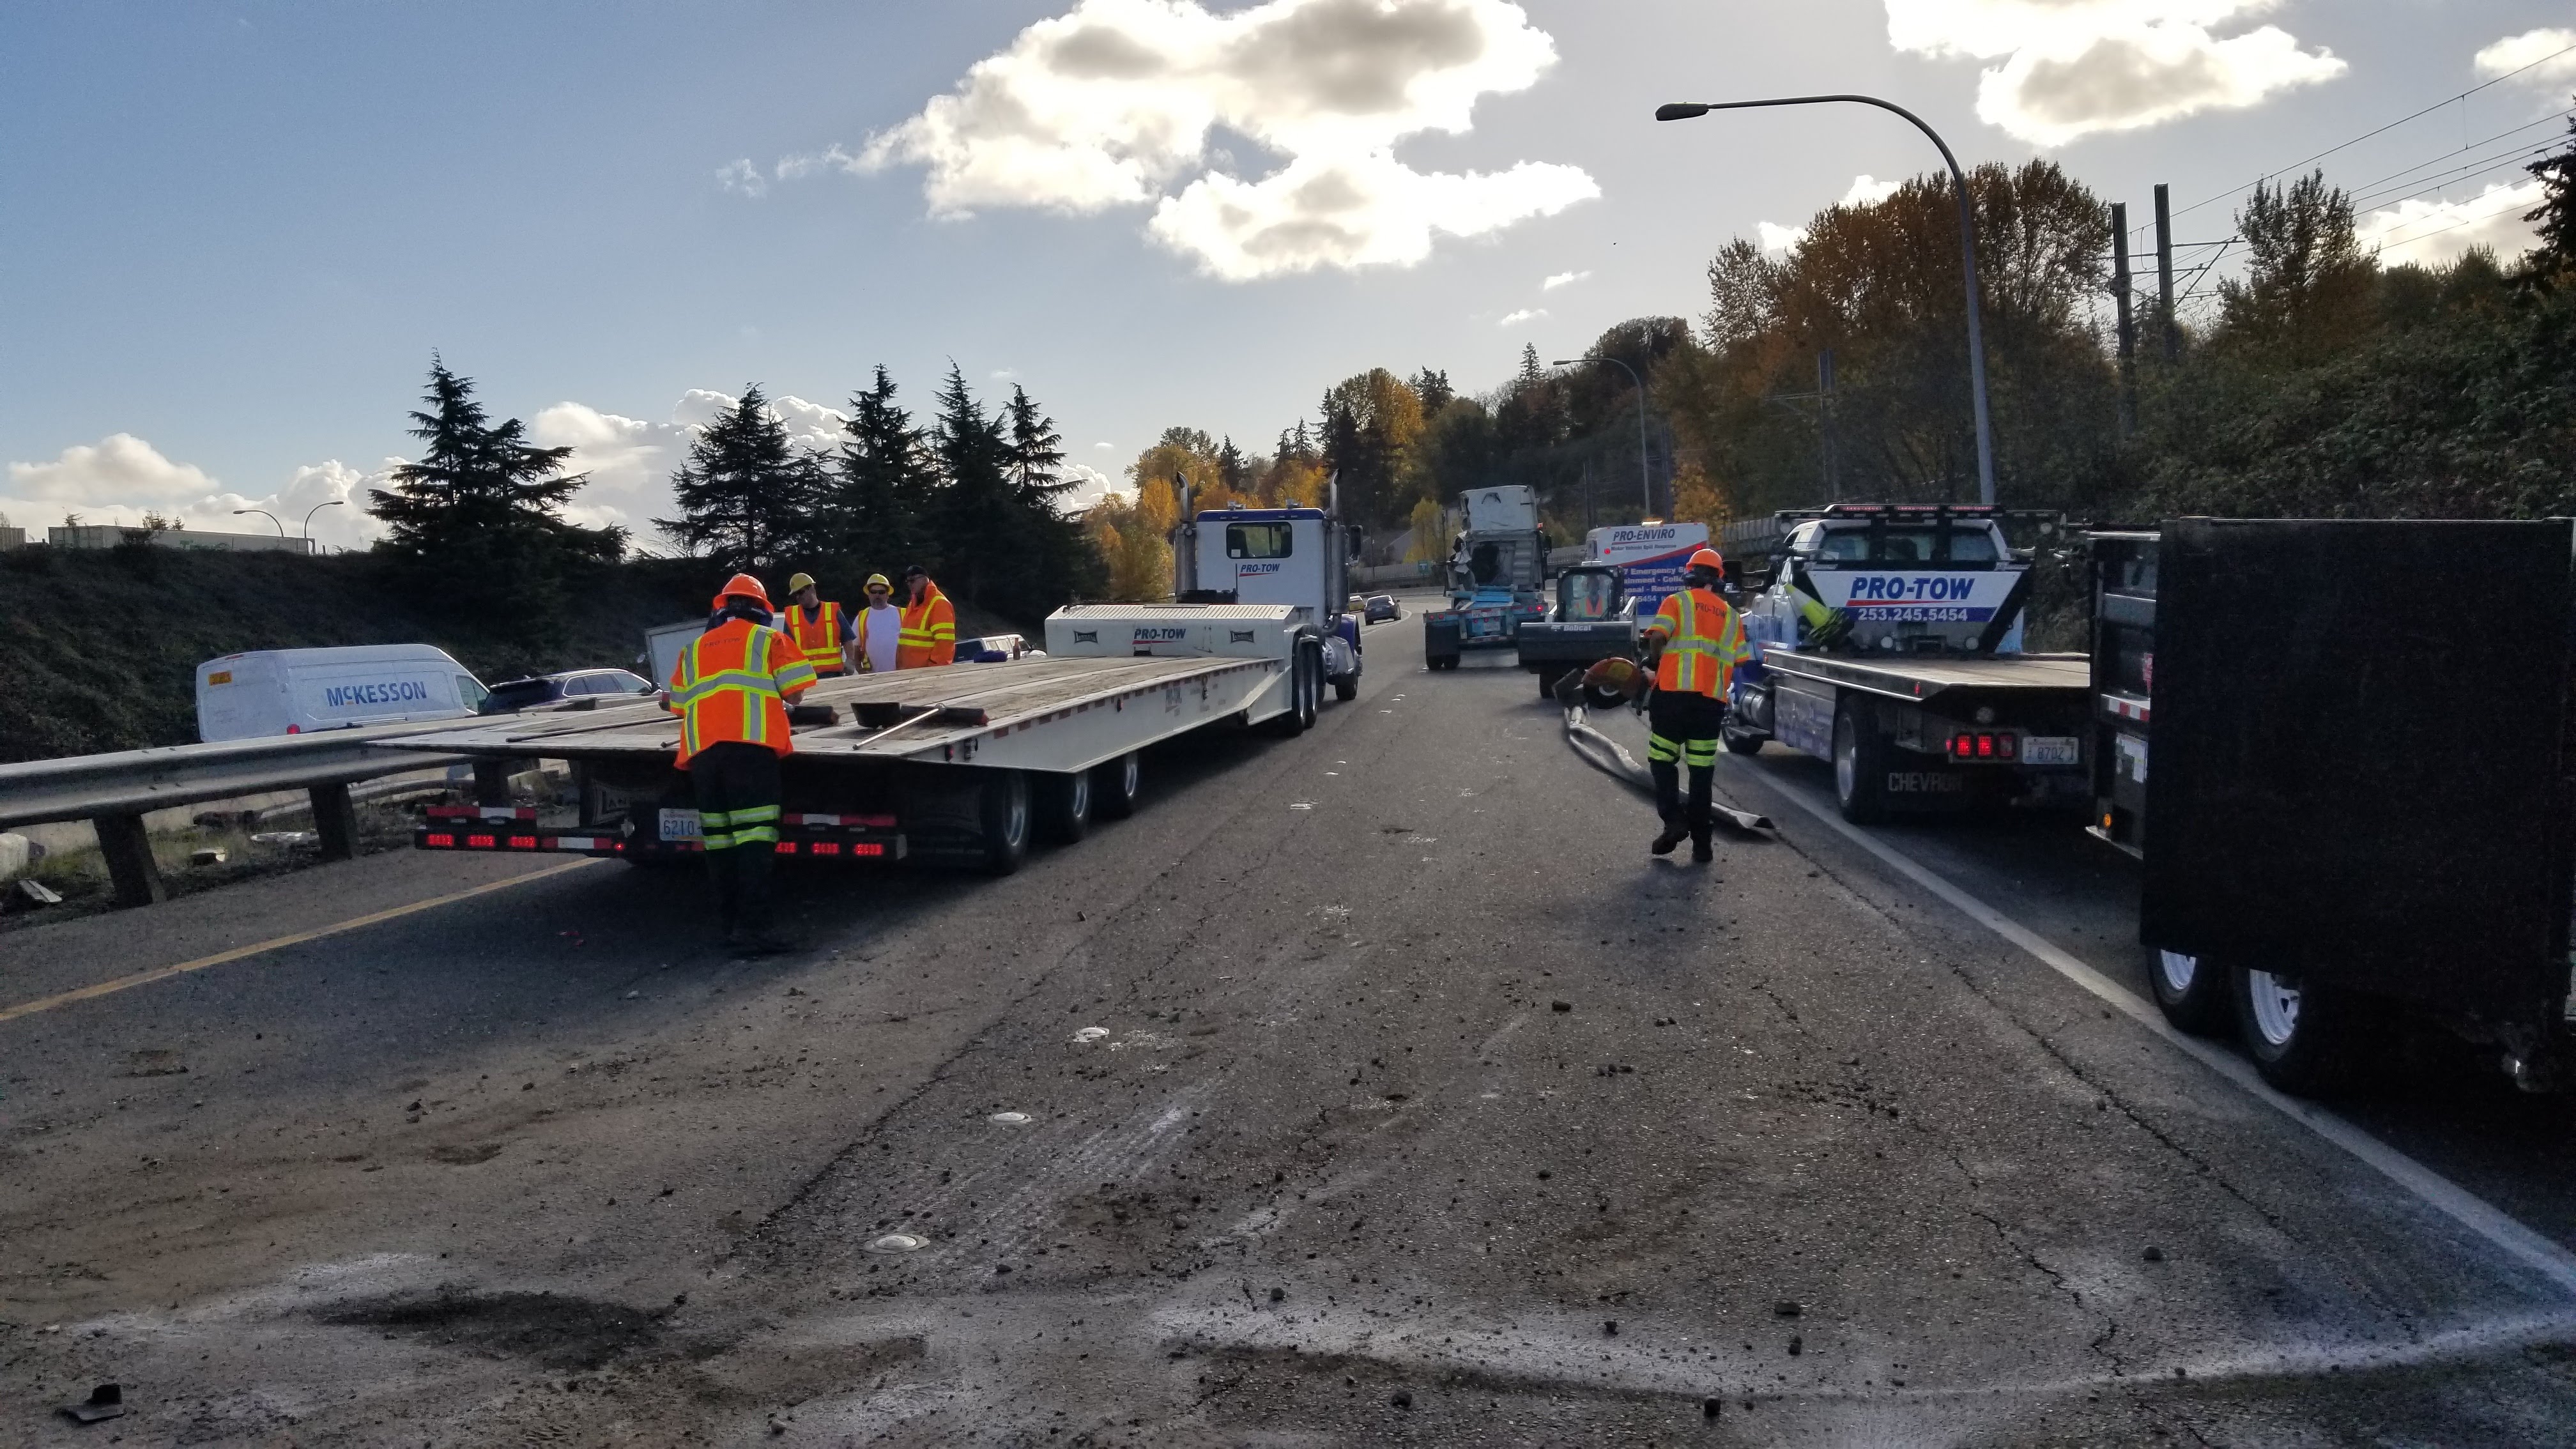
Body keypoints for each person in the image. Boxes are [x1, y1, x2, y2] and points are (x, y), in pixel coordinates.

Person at [664, 572, 817, 953]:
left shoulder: (693, 649)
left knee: (720, 844)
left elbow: (678, 705)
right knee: (755, 840)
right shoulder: (769, 639)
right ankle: (754, 931)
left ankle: (730, 926)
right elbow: (795, 694)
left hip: (704, 759)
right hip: (750, 754)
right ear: (761, 610)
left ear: (723, 609)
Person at [1636, 549, 1752, 863]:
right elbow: (1740, 660)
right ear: (1719, 579)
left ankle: (1674, 820)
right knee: (1701, 774)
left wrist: (1655, 662)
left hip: (1673, 697)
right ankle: (1703, 846)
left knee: (1662, 760)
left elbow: (1657, 637)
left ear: (1689, 574)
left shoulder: (1677, 602)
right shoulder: (1732, 617)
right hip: (1710, 704)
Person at [778, 571, 854, 678]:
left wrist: (850, 661)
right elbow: (787, 648)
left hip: (833, 675)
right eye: (796, 594)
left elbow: (847, 638)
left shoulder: (833, 611)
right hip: (805, 676)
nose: (798, 597)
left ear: (811, 589)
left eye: (800, 592)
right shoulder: (792, 615)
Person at [898, 565, 956, 668]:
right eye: (908, 582)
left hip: (926, 673)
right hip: (908, 672)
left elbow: (945, 644)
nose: (910, 584)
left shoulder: (939, 604)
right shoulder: (913, 604)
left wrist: (934, 671)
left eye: (912, 581)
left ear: (925, 579)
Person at [850, 573, 902, 674]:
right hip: (873, 676)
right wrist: (859, 669)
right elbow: (856, 646)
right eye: (873, 592)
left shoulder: (901, 614)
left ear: (888, 594)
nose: (877, 595)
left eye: (881, 592)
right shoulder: (862, 617)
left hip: (900, 674)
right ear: (869, 594)